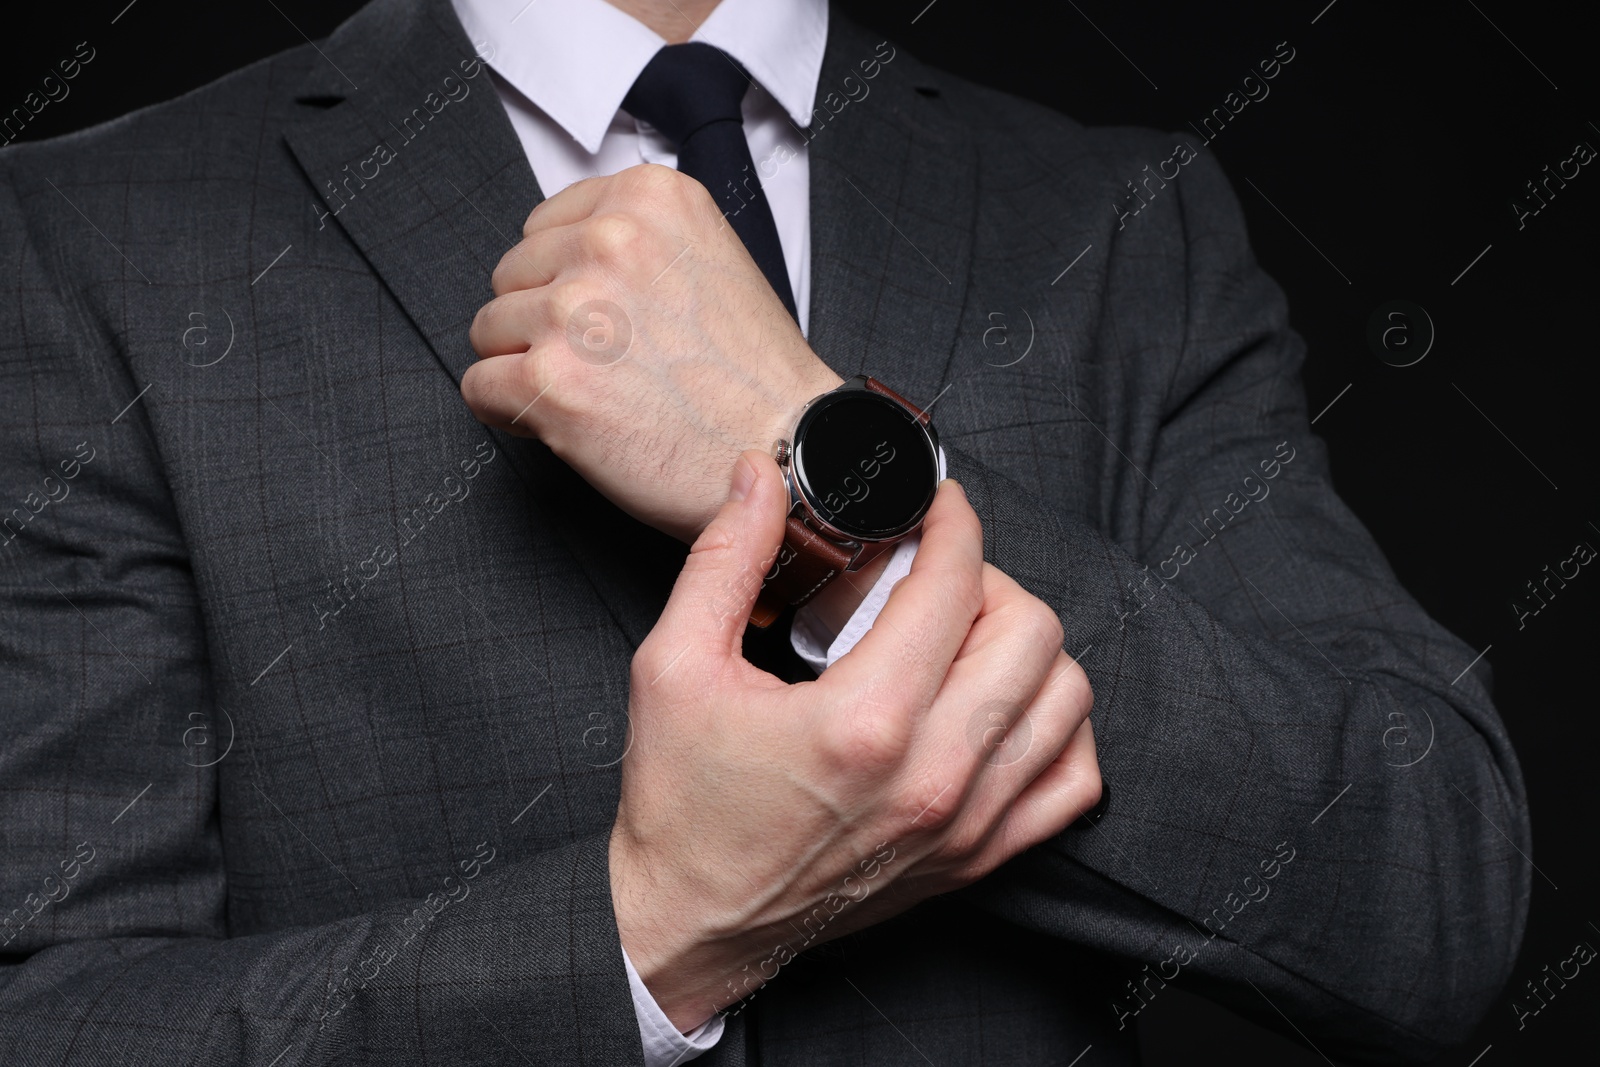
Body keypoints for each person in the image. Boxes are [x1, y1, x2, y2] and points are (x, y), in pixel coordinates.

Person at [0, 0, 1528, 1063]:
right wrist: (657, 932)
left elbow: (1431, 901)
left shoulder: (1121, 218)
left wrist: (819, 456)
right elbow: (57, 1021)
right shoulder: (88, 234)